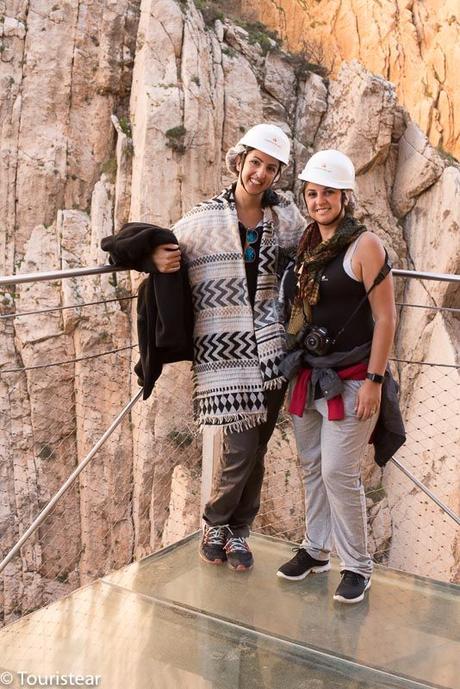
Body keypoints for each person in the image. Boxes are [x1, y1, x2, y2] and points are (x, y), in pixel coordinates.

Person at [152, 124, 306, 571]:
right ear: (239, 160)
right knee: (241, 447)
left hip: (274, 348)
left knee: (256, 447)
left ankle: (239, 533)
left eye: (271, 168)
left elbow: (316, 250)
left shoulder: (286, 220)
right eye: (255, 162)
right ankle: (215, 522)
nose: (260, 173)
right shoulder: (203, 220)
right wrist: (153, 258)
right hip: (228, 352)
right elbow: (153, 243)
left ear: (277, 175)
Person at [276, 149, 397, 603]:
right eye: (312, 192)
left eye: (328, 192)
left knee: (338, 471)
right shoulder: (307, 243)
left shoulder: (365, 246)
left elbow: (385, 320)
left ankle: (358, 567)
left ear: (345, 196)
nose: (319, 200)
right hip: (308, 373)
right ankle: (317, 549)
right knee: (311, 465)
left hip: (351, 377)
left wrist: (375, 381)